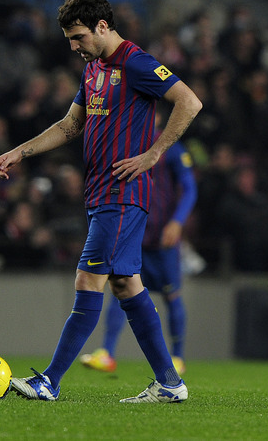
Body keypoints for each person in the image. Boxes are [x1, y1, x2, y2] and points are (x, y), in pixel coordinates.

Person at [0, 0, 202, 403]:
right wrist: (21, 151)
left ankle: (49, 381)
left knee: (89, 278)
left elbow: (189, 102)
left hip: (123, 196)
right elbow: (71, 126)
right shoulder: (93, 68)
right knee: (126, 285)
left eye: (79, 37)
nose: (74, 47)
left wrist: (153, 154)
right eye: (70, 40)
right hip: (100, 195)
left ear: (102, 27)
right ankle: (170, 383)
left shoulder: (136, 63)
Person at [79, 111, 198, 375]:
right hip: (134, 232)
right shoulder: (126, 146)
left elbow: (190, 188)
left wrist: (177, 222)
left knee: (172, 294)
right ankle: (107, 353)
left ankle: (177, 357)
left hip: (162, 238)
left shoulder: (171, 150)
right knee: (119, 284)